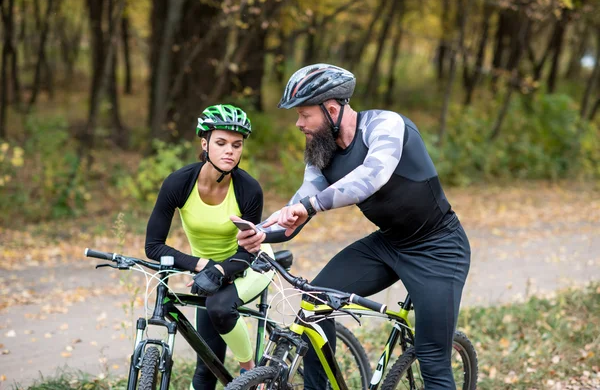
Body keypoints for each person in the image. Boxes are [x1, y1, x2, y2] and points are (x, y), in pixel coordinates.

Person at [238, 64, 471, 390]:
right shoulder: (322, 149)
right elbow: (302, 202)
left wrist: (308, 207)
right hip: (389, 244)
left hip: (439, 249)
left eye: (305, 115)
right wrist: (262, 231)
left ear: (331, 109)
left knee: (432, 359)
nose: (298, 123)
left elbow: (371, 178)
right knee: (315, 304)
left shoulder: (385, 125)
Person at [145, 104, 274, 390]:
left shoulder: (248, 189)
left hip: (251, 262)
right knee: (206, 366)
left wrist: (220, 270)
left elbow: (247, 250)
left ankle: (250, 373)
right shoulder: (179, 183)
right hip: (209, 272)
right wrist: (201, 265)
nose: (230, 150)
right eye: (221, 143)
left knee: (219, 305)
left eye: (237, 145)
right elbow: (153, 246)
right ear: (204, 144)